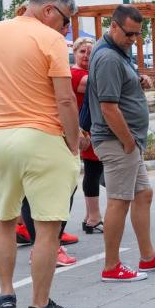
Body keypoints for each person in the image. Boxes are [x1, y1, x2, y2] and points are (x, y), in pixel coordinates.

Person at [0, 0, 81, 308]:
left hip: (3, 137)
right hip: (42, 136)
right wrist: (73, 142)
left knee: (5, 219)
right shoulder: (49, 39)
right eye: (65, 21)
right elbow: (65, 99)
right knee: (47, 226)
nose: (66, 29)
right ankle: (40, 305)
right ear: (49, 10)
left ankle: (6, 294)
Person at [88, 4, 155, 281]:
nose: (132, 40)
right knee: (119, 201)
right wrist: (128, 142)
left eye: (136, 35)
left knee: (143, 194)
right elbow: (108, 107)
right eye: (128, 34)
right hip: (117, 141)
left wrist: (136, 80)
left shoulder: (119, 52)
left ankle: (148, 257)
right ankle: (111, 266)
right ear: (114, 26)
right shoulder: (107, 57)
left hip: (128, 142)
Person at [70, 36, 105, 235]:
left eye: (90, 52)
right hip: (84, 128)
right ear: (74, 54)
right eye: (82, 51)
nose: (86, 55)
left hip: (88, 127)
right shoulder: (76, 75)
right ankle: (93, 217)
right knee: (92, 171)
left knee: (94, 169)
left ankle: (89, 216)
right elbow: (98, 83)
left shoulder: (85, 73)